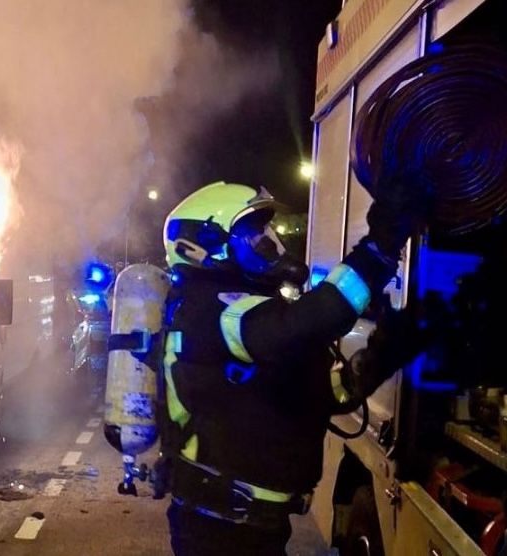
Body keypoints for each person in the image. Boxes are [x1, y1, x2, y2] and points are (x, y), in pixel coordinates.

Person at [156, 177, 429, 555]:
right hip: (220, 531)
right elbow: (306, 324)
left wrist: (390, 348)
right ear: (200, 247)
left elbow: (323, 392)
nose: (267, 243)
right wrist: (379, 247)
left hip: (251, 527)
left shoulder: (241, 311)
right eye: (251, 236)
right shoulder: (211, 307)